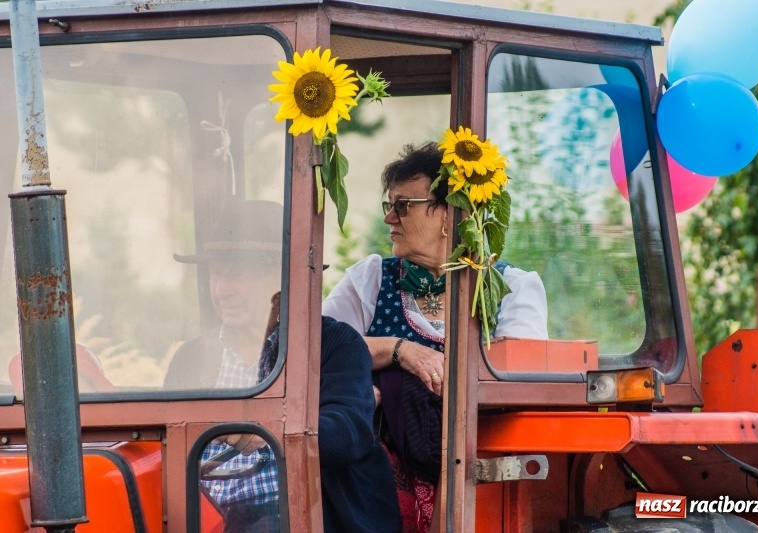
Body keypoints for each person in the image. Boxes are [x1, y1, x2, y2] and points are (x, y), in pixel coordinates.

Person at [321, 142, 548, 532]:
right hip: (372, 491)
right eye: (389, 205)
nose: (390, 217)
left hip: (482, 480)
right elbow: (318, 352)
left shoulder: (510, 288)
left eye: (403, 205)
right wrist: (399, 351)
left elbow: (520, 386)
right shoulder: (371, 279)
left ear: (449, 214)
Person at [165, 199, 401, 533]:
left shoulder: (334, 344)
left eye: (236, 275)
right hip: (207, 518)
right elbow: (167, 442)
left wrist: (265, 432)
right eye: (216, 274)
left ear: (281, 277)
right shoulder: (191, 356)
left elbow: (349, 431)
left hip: (301, 515)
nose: (221, 291)